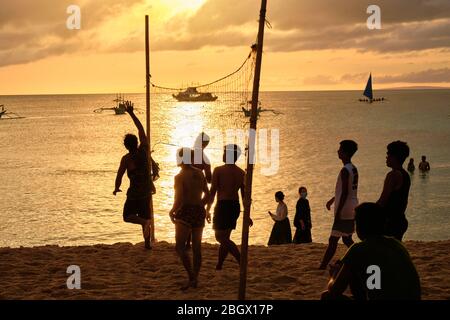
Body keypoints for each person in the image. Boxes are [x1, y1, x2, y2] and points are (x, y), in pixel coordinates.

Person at [321, 202, 421, 300]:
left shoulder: (358, 249)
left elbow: (334, 290)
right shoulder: (396, 244)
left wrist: (334, 275)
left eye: (355, 222)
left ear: (360, 225)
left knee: (327, 297)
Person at [113, 101, 154, 249]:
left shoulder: (126, 159)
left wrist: (116, 188)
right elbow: (141, 129)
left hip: (135, 193)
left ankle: (143, 225)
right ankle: (147, 244)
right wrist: (131, 113)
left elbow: (120, 175)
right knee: (146, 216)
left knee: (128, 216)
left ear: (126, 146)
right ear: (137, 142)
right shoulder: (144, 149)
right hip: (147, 191)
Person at [169, 148, 210, 290]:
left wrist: (172, 211)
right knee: (197, 248)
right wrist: (200, 205)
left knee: (180, 247)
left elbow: (179, 198)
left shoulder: (179, 177)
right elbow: (208, 195)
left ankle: (192, 277)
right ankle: (195, 278)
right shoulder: (199, 173)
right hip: (198, 211)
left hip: (185, 211)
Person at [207, 144, 252, 270]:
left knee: (220, 237)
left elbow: (213, 192)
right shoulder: (241, 173)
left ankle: (241, 260)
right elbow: (244, 197)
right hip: (234, 206)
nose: (223, 154)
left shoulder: (218, 170)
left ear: (229, 155)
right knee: (225, 237)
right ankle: (219, 265)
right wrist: (247, 214)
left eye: (224, 152)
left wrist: (207, 209)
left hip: (223, 205)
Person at [319, 140, 359, 270]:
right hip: (353, 205)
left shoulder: (344, 170)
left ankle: (322, 266)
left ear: (346, 153)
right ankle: (358, 257)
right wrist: (332, 200)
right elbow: (346, 189)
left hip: (345, 208)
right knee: (347, 239)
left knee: (333, 240)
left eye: (340, 149)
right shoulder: (353, 168)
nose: (338, 151)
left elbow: (345, 192)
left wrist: (338, 212)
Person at [377, 141, 411, 241]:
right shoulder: (405, 174)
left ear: (394, 157)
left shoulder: (393, 175)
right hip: (400, 220)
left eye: (388, 154)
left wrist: (367, 212)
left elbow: (382, 201)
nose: (386, 157)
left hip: (389, 222)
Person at [185, 132, 213, 249]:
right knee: (194, 212)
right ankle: (190, 241)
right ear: (205, 144)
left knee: (186, 212)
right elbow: (209, 179)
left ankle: (187, 242)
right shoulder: (205, 159)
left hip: (185, 185)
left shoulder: (188, 154)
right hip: (197, 188)